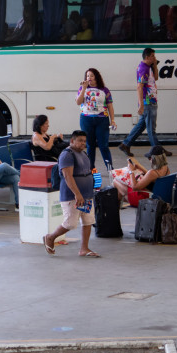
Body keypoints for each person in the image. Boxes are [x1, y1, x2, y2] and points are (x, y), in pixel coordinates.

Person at [42, 130, 99, 258]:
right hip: (72, 195)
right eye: (80, 141)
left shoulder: (84, 154)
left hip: (87, 195)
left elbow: (91, 170)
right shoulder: (67, 155)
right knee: (71, 223)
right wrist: (77, 194)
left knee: (88, 221)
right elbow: (68, 177)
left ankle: (84, 249)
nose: (82, 143)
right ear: (72, 141)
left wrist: (97, 182)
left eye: (84, 141)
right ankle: (50, 237)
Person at [118, 48, 172, 158]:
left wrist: (155, 65)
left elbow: (156, 78)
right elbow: (139, 87)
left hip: (150, 100)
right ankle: (157, 150)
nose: (155, 58)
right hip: (148, 101)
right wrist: (141, 104)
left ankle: (126, 144)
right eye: (153, 56)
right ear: (147, 57)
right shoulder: (143, 68)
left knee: (142, 125)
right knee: (151, 127)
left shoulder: (148, 67)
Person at [75, 68, 116, 168]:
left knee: (103, 146)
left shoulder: (104, 90)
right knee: (90, 146)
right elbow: (78, 102)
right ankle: (91, 170)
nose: (89, 78)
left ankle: (110, 169)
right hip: (86, 119)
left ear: (96, 77)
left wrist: (113, 120)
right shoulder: (82, 89)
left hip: (102, 120)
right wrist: (83, 88)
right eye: (87, 76)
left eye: (91, 76)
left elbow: (110, 106)